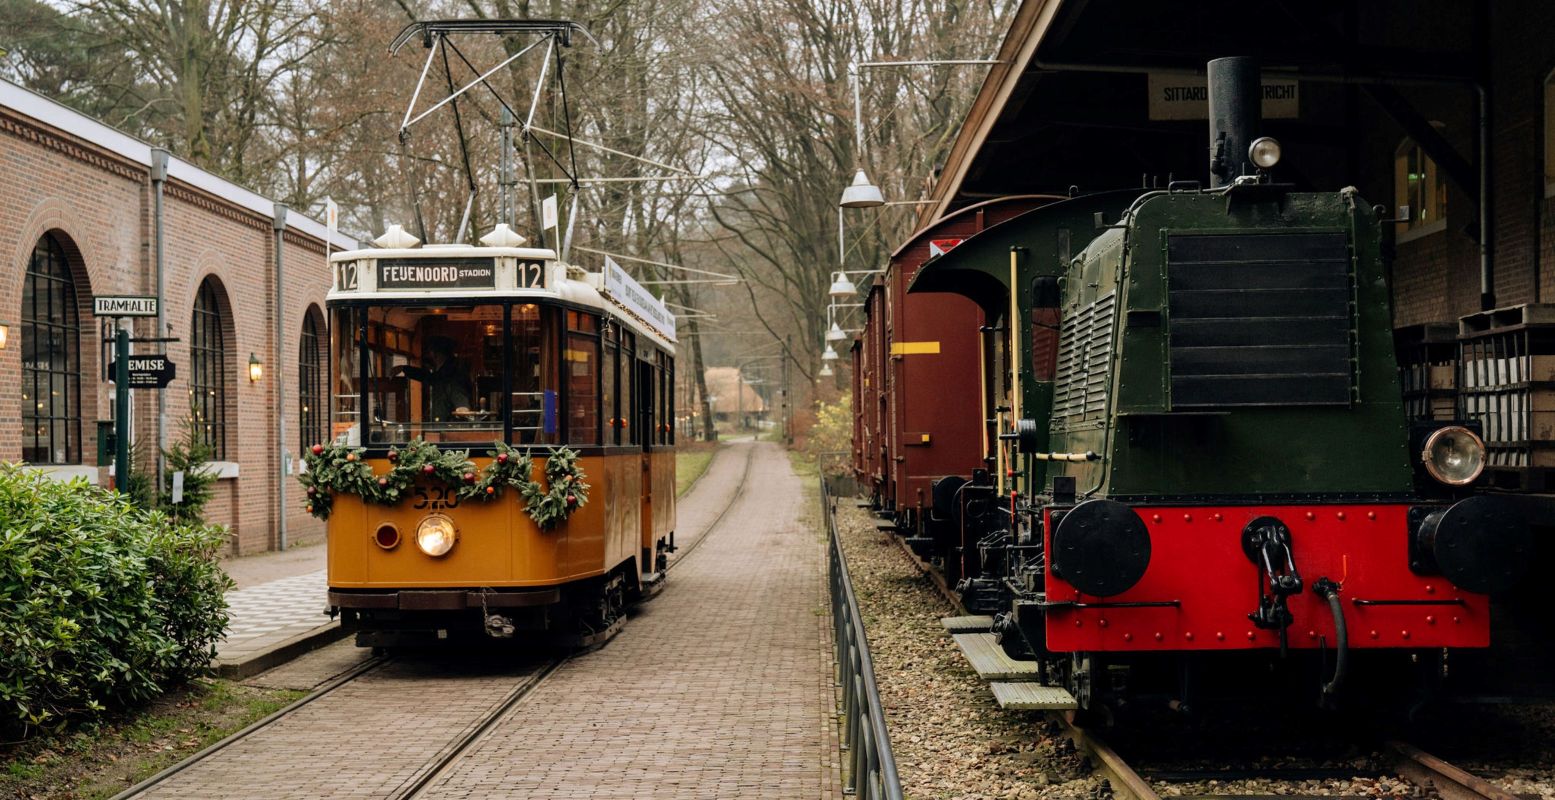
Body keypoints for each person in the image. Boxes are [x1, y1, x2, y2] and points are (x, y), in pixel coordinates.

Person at [392, 336, 473, 422]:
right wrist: (403, 368)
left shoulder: (451, 374)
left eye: (429, 352)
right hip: (442, 426)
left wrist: (462, 406)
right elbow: (427, 376)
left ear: (434, 354)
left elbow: (458, 391)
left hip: (449, 428)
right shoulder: (441, 373)